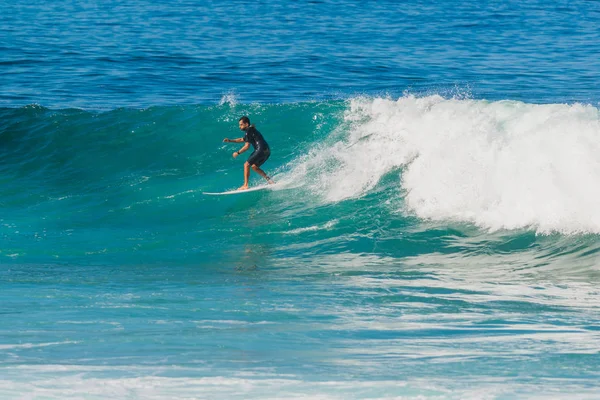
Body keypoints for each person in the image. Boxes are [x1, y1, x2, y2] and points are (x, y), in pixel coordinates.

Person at [223, 116, 274, 190]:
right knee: (254, 167)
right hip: (267, 150)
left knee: (246, 165)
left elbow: (246, 146)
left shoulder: (248, 131)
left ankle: (245, 185)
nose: (239, 127)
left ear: (246, 124)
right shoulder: (251, 130)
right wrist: (230, 140)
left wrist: (237, 153)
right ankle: (270, 180)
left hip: (260, 149)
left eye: (241, 124)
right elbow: (242, 139)